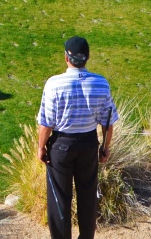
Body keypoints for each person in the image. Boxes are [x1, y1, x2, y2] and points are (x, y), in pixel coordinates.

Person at [36, 36, 119, 239]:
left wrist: (41, 147)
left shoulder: (54, 83)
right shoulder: (101, 83)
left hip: (61, 145)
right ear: (88, 57)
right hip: (89, 144)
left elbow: (46, 124)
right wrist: (105, 148)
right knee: (88, 196)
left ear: (66, 57)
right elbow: (108, 122)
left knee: (59, 199)